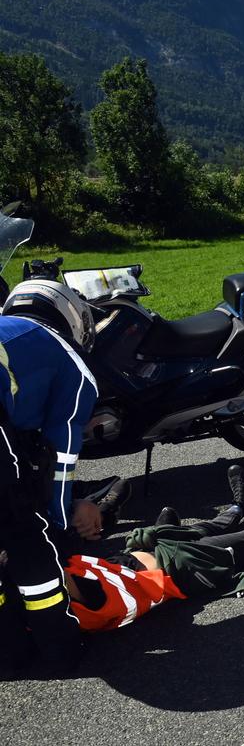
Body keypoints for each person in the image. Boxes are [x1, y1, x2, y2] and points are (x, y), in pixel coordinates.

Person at [60, 466, 244, 632]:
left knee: (209, 524)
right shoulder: (69, 594)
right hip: (178, 568)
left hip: (149, 549)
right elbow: (61, 572)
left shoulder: (51, 582)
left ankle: (240, 505)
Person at [0, 287, 100, 675]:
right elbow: (62, 453)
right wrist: (58, 520)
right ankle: (61, 650)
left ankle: (9, 656)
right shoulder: (72, 364)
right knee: (28, 540)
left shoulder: (10, 331)